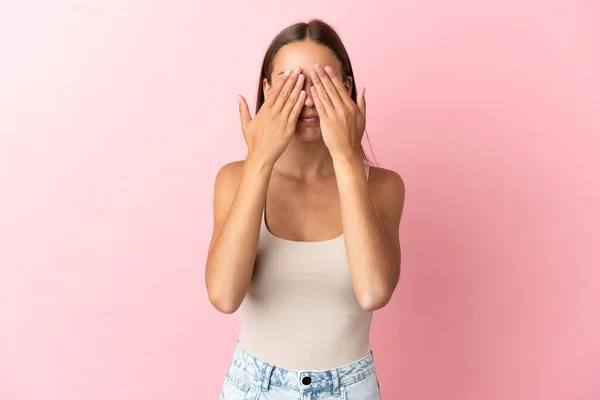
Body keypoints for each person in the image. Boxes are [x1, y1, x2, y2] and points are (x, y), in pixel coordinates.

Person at [205, 19, 405, 400]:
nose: (308, 98)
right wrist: (260, 158)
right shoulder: (233, 180)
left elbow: (374, 292)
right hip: (253, 387)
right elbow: (224, 296)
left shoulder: (384, 186)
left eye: (322, 81)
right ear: (266, 90)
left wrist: (347, 157)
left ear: (346, 87)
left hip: (351, 388)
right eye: (290, 82)